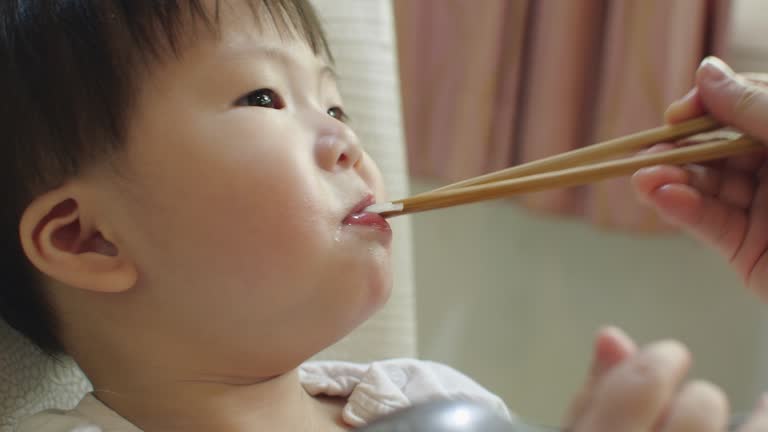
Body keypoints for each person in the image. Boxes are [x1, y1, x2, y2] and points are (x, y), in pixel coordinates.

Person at [1, 1, 756, 430]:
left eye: (336, 104)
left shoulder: (432, 399)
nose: (346, 141)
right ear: (88, 237)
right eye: (262, 98)